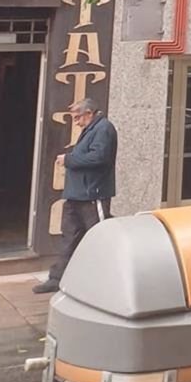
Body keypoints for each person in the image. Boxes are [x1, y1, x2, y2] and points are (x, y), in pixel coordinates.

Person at [33, 97, 118, 294]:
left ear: (89, 113)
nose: (76, 122)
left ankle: (106, 279)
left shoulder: (104, 128)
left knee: (98, 238)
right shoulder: (92, 129)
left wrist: (69, 159)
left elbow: (99, 157)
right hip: (77, 194)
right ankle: (57, 278)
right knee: (69, 238)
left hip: (92, 195)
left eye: (78, 117)